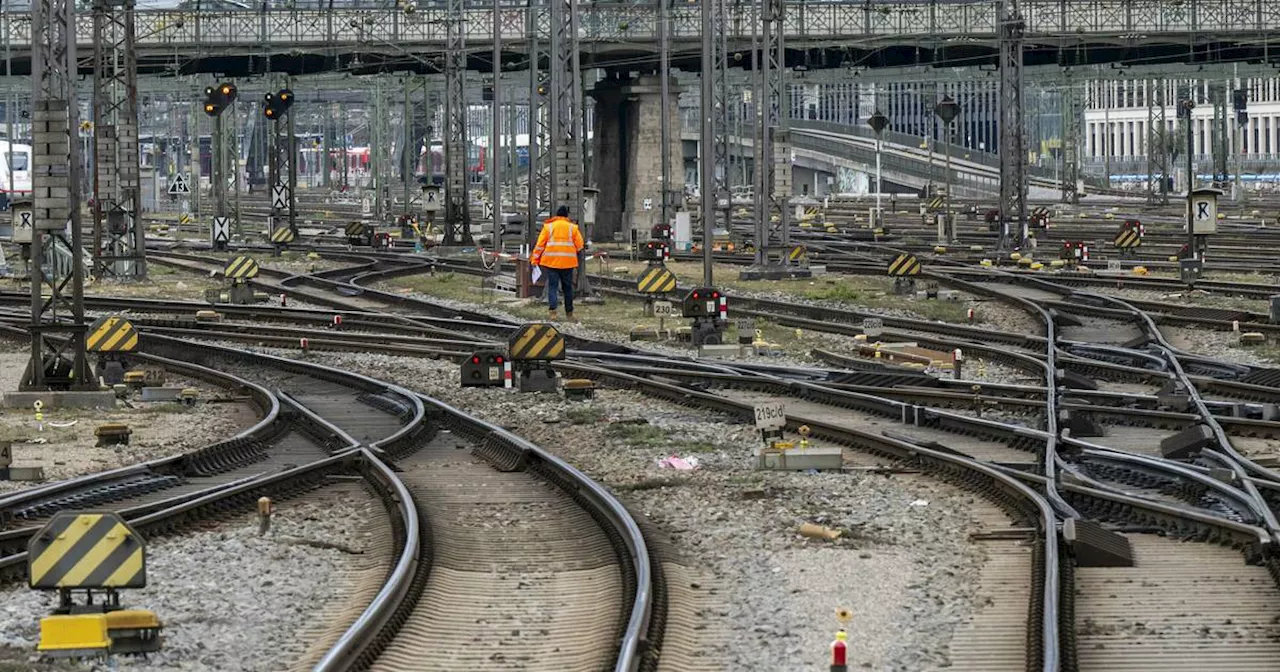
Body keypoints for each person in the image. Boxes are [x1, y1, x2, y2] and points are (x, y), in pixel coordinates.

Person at [531, 204, 585, 321]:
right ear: (566, 216)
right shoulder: (573, 228)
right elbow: (580, 246)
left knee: (552, 287)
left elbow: (540, 245)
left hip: (551, 263)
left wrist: (534, 260)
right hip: (568, 263)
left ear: (556, 215)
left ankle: (553, 313)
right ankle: (569, 313)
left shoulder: (548, 227)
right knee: (567, 288)